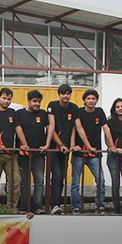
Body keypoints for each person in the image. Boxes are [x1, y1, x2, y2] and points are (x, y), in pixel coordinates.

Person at [15, 90, 52, 214]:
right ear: (28, 101)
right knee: (24, 182)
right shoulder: (19, 114)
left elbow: (49, 128)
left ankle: (37, 206)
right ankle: (24, 207)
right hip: (23, 155)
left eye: (39, 102)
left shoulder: (43, 114)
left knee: (39, 181)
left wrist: (47, 144)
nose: (37, 104)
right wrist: (24, 144)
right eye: (34, 101)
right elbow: (18, 130)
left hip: (38, 154)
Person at [70, 89, 107, 213]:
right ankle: (76, 206)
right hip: (79, 153)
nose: (91, 101)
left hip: (94, 154)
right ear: (84, 100)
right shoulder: (78, 111)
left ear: (97, 100)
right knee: (75, 182)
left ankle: (100, 205)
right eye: (88, 98)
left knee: (101, 180)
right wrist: (73, 144)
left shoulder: (100, 112)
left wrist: (111, 145)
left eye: (93, 99)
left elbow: (106, 129)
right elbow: (76, 128)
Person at [46, 83, 78, 214]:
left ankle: (57, 204)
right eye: (63, 93)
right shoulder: (52, 105)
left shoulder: (74, 108)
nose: (66, 96)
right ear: (59, 95)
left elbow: (74, 128)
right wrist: (60, 144)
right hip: (54, 148)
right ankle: (53, 205)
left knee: (62, 177)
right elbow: (51, 126)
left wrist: (71, 144)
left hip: (66, 150)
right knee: (57, 175)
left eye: (68, 93)